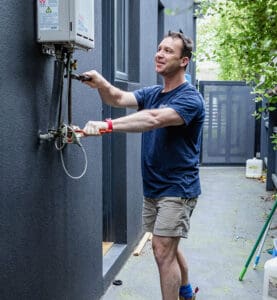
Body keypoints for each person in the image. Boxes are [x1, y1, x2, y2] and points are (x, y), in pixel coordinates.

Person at [81, 30, 205, 300]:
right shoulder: (153, 92)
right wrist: (102, 83)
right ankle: (186, 292)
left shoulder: (190, 99)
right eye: (159, 48)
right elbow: (117, 98)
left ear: (184, 61)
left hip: (178, 187)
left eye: (168, 51)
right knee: (168, 245)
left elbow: (153, 120)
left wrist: (108, 125)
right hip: (154, 186)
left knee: (162, 249)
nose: (159, 54)